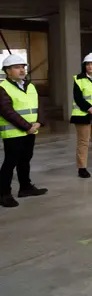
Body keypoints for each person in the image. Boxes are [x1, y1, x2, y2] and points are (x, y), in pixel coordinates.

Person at [0, 54, 48, 208]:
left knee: (25, 160)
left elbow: (38, 105)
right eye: (17, 67)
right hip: (14, 133)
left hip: (30, 131)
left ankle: (25, 187)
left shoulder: (30, 85)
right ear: (7, 71)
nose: (22, 70)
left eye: (23, 67)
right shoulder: (3, 88)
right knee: (10, 163)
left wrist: (39, 122)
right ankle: (4, 193)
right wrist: (27, 126)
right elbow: (7, 111)